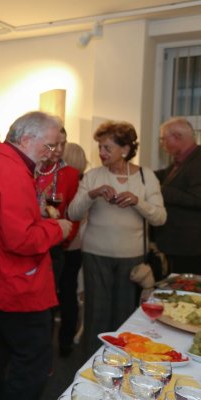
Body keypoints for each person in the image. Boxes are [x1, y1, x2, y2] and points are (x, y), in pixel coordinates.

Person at [0, 111, 73, 400]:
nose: (52, 153)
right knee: (33, 362)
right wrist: (58, 229)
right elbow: (21, 239)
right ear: (25, 139)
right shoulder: (11, 171)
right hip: (15, 283)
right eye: (49, 145)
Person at [67, 120, 166, 356]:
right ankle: (92, 365)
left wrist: (138, 202)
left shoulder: (146, 176)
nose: (101, 152)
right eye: (100, 147)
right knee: (96, 315)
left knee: (126, 316)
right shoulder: (93, 177)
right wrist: (92, 195)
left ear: (125, 149)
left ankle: (123, 363)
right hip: (95, 255)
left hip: (132, 258)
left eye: (107, 148)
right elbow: (73, 213)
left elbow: (160, 218)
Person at [35, 127, 81, 357]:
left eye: (63, 144)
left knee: (59, 298)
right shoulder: (30, 169)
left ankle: (61, 345)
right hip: (32, 242)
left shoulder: (70, 174)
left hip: (56, 245)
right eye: (54, 144)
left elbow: (73, 213)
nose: (59, 150)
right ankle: (39, 350)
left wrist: (65, 239)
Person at [154, 117, 201, 274]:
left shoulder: (198, 160)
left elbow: (197, 199)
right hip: (178, 244)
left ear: (178, 137)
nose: (162, 144)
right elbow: (165, 176)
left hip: (191, 247)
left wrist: (160, 190)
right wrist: (139, 173)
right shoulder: (183, 160)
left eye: (163, 139)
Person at [56, 142, 88, 357]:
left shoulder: (65, 182)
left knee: (58, 293)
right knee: (69, 292)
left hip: (63, 242)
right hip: (77, 245)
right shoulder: (85, 184)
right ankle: (66, 341)